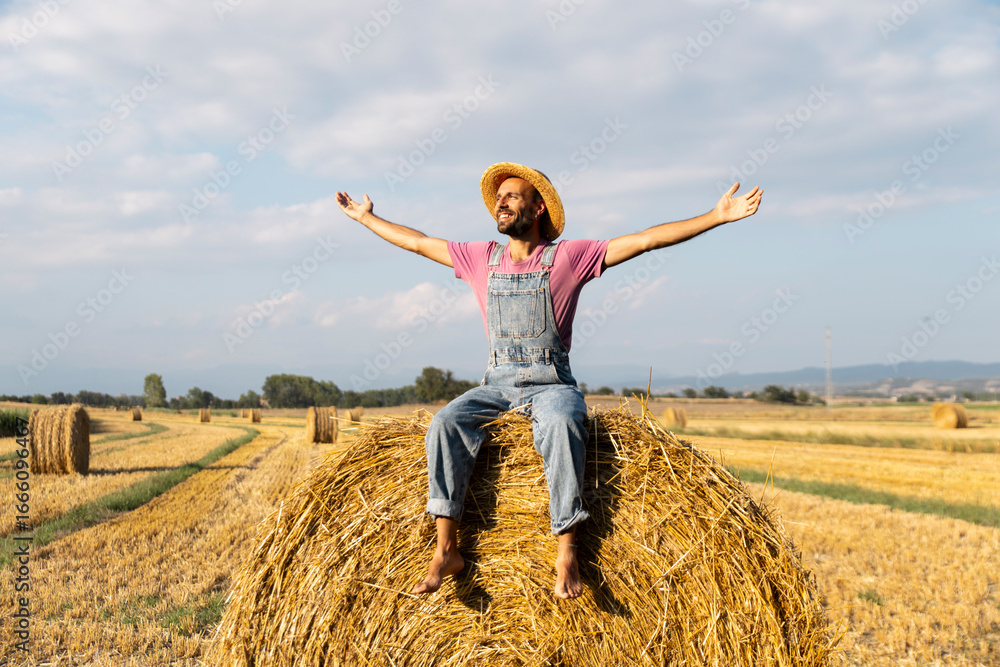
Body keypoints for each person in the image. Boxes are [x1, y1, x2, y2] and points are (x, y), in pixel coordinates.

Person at [335, 163, 761, 600]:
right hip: (496, 383)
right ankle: (446, 550)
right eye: (498, 198)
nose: (501, 202)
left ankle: (567, 551)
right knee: (445, 423)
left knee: (562, 423)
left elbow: (645, 239)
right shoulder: (480, 257)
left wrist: (716, 216)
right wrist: (367, 218)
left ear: (538, 208)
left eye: (511, 196)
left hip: (551, 383)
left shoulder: (569, 257)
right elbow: (419, 243)